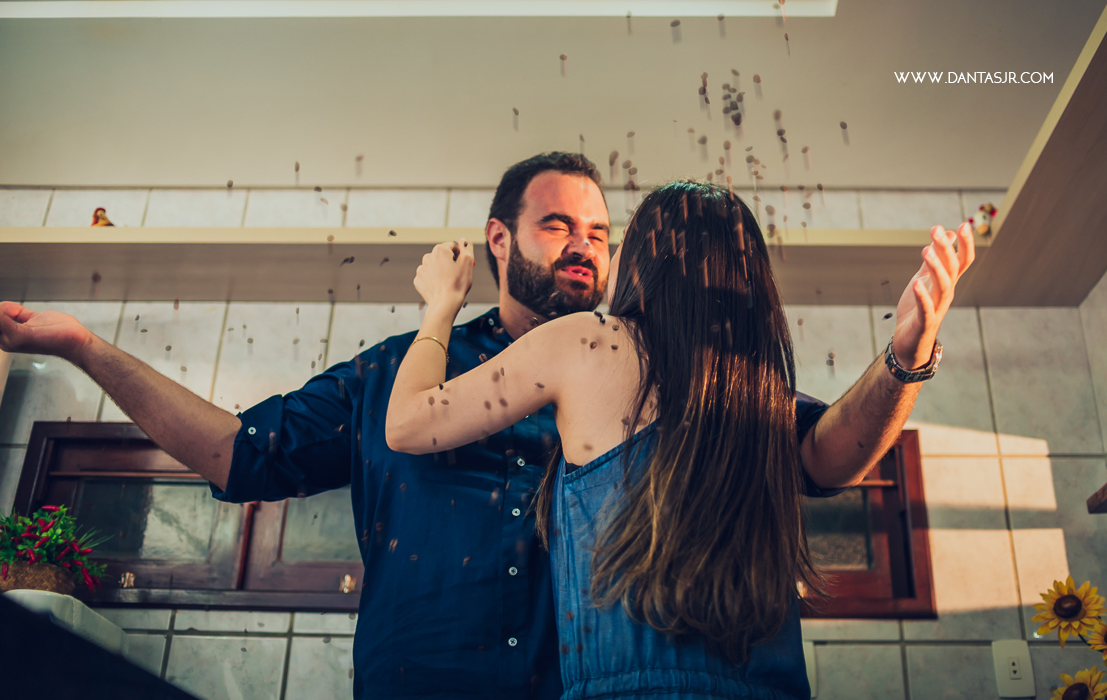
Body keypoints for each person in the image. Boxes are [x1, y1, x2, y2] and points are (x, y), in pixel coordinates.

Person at [0, 155, 973, 699]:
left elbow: (817, 454)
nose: (586, 246)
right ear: (498, 239)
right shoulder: (396, 373)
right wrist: (86, 346)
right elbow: (233, 454)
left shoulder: (664, 371)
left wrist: (905, 357)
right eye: (560, 226)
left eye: (600, 232)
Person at [383, 180, 975, 698]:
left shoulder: (591, 341)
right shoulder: (754, 387)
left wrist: (441, 307)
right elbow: (831, 462)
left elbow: (407, 423)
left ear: (642, 261)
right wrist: (905, 355)